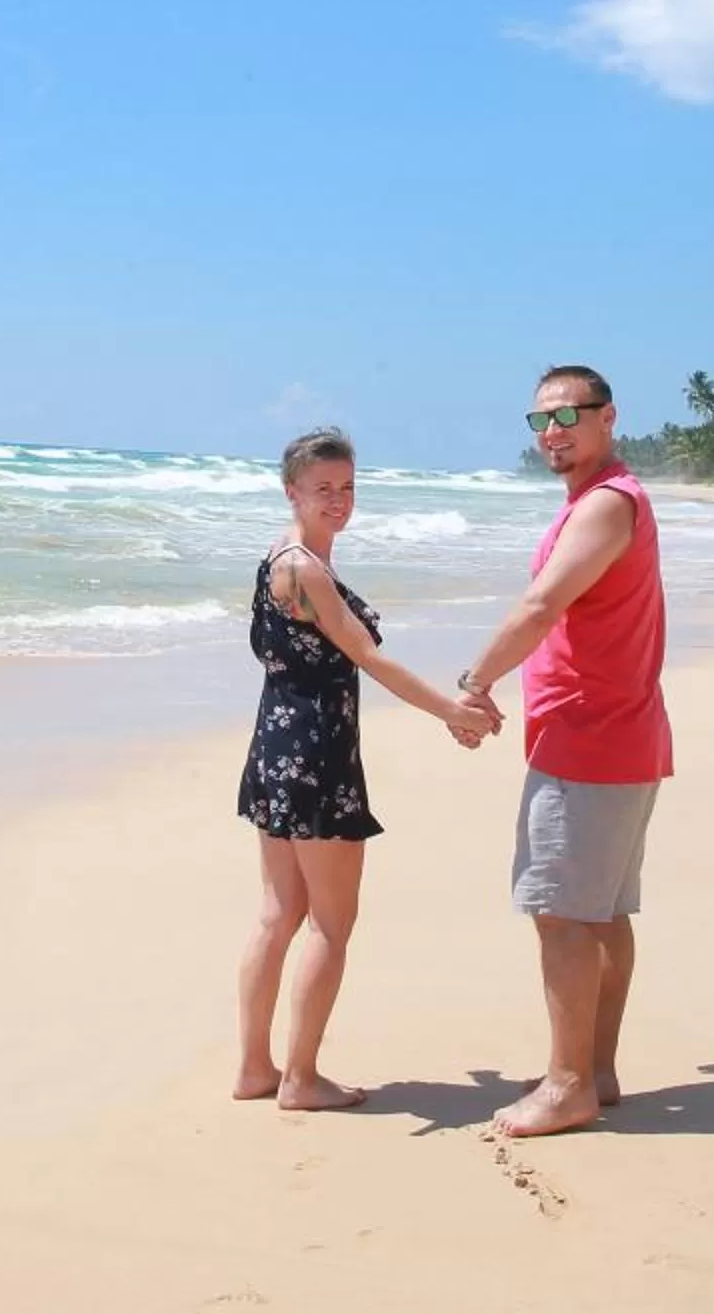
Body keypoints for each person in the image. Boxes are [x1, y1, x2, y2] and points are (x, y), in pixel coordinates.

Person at [235, 426, 502, 1111]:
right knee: (329, 923)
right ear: (291, 490)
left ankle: (256, 1068)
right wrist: (452, 711)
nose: (339, 500)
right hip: (317, 754)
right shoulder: (306, 570)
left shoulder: (277, 555)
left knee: (278, 914)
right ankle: (300, 1079)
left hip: (275, 746)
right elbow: (369, 658)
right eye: (323, 488)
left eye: (348, 487)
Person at [454, 367, 673, 1139]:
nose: (553, 431)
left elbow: (543, 604)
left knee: (562, 915)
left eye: (569, 415)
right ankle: (593, 1068)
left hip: (590, 739)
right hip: (617, 735)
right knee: (601, 913)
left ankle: (570, 1084)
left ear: (608, 418)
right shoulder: (602, 501)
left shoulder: (607, 503)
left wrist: (474, 683)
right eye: (541, 419)